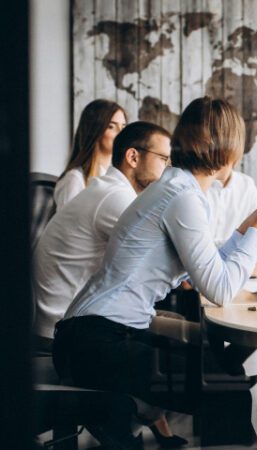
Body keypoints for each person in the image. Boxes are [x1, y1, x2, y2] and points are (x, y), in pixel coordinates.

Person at [52, 97, 257, 448]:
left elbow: (209, 265)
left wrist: (252, 225)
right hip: (95, 342)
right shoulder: (181, 196)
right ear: (225, 148)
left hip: (95, 334)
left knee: (226, 373)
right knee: (226, 389)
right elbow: (219, 287)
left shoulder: (176, 188)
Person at [33, 121, 185, 446]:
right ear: (133, 156)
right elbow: (169, 254)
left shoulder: (107, 190)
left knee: (170, 328)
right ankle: (133, 419)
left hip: (72, 316)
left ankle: (140, 420)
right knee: (171, 341)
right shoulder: (115, 199)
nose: (170, 170)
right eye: (164, 159)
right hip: (67, 327)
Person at [55, 99, 128, 209]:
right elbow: (67, 225)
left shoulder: (116, 177)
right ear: (95, 130)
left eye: (123, 127)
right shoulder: (74, 180)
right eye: (111, 127)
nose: (121, 134)